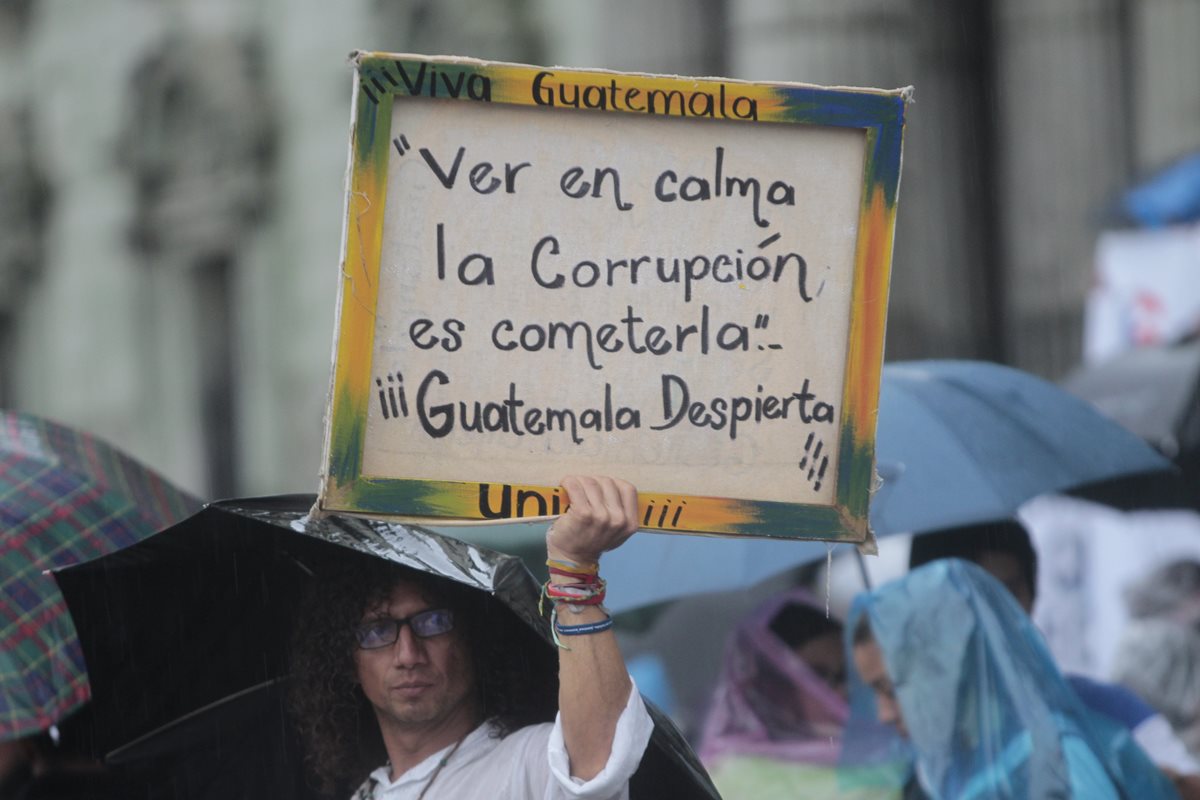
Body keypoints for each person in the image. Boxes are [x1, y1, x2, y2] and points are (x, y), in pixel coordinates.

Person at [288, 475, 655, 799]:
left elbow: (597, 767)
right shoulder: (367, 793)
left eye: (431, 622)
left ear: (473, 638)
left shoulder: (528, 760)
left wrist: (574, 571)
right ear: (346, 661)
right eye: (378, 630)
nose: (407, 653)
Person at [848, 558, 1180, 799]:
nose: (884, 714)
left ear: (944, 671)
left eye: (891, 689)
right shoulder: (940, 776)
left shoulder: (1058, 762)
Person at [908, 518, 1200, 790]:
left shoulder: (1110, 712)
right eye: (970, 596)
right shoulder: (930, 752)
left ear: (1033, 595)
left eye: (1006, 592)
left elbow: (1185, 783)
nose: (994, 614)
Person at [697, 589, 901, 799]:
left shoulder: (894, 747)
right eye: (817, 677)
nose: (844, 689)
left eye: (846, 672)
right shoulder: (726, 781)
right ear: (773, 690)